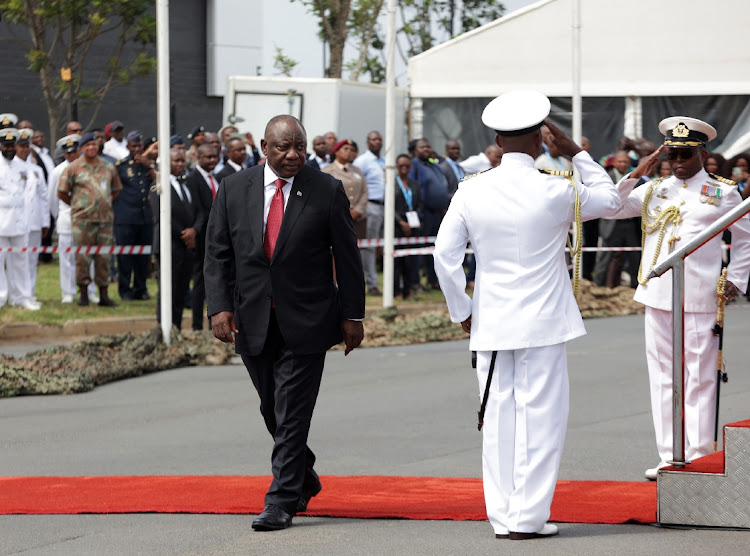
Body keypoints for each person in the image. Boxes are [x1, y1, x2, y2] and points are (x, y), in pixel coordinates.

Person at [433, 90, 621, 540]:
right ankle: (528, 518)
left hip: (492, 322)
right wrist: (576, 154)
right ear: (542, 137)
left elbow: (445, 255)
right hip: (543, 321)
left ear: (496, 139)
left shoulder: (471, 190)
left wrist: (463, 309)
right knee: (541, 417)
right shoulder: (557, 188)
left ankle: (501, 516)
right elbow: (611, 201)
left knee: (497, 417)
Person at [204, 115, 365, 531]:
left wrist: (352, 315)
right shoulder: (234, 189)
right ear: (264, 147)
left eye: (299, 147)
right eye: (283, 147)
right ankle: (305, 478)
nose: (293, 155)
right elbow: (218, 253)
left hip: (309, 318)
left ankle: (280, 500)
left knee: (292, 410)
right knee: (271, 408)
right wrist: (219, 307)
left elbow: (347, 257)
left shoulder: (326, 189)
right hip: (252, 317)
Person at [609, 117, 750, 480]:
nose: (679, 162)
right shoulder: (655, 188)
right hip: (658, 295)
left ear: (702, 152)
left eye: (686, 154)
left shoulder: (722, 191)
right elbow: (613, 206)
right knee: (662, 376)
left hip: (701, 295)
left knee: (700, 376)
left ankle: (701, 455)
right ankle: (671, 455)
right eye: (673, 154)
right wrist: (640, 169)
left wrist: (735, 276)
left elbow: (744, 236)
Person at [58, 132, 122, 307]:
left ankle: (103, 295)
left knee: (104, 259)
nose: (91, 148)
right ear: (81, 149)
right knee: (82, 258)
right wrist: (78, 205)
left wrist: (103, 203)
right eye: (87, 145)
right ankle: (84, 294)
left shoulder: (108, 167)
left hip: (104, 221)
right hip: (82, 222)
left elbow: (116, 190)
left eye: (93, 144)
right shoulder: (74, 167)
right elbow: (62, 192)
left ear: (98, 146)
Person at [150, 148, 202, 330]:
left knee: (181, 292)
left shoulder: (187, 184)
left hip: (187, 247)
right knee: (167, 291)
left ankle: (177, 329)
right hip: (169, 245)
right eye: (176, 161)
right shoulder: (158, 185)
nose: (180, 164)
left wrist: (194, 231)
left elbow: (198, 210)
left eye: (182, 161)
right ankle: (164, 329)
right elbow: (161, 216)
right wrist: (183, 234)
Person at [48, 134, 98, 304]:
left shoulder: (87, 168)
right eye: (67, 153)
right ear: (63, 153)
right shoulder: (57, 171)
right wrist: (60, 215)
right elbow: (53, 199)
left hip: (86, 220)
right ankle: (68, 293)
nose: (71, 155)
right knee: (67, 259)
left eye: (73, 151)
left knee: (87, 258)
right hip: (66, 219)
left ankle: (90, 291)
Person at [114, 131, 156, 301]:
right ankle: (125, 290)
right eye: (134, 146)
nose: (137, 149)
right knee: (125, 256)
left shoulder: (148, 166)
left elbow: (156, 183)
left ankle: (141, 288)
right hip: (125, 218)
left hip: (145, 217)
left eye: (139, 146)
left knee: (143, 257)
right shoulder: (121, 166)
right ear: (128, 147)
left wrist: (148, 167)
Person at [0, 128, 39, 311]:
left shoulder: (22, 167)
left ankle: (22, 297)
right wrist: (10, 199)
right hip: (1, 221)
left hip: (19, 221)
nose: (9, 149)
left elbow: (27, 194)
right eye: (5, 145)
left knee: (21, 260)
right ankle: (1, 297)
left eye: (11, 145)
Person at [409, 137, 451, 290]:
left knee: (435, 249)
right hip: (423, 213)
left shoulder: (435, 166)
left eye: (428, 146)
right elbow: (413, 189)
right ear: (415, 150)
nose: (426, 149)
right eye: (422, 147)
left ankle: (434, 280)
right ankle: (415, 282)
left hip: (437, 213)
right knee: (419, 249)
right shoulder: (414, 165)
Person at [186, 143, 220, 330]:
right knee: (199, 282)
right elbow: (198, 210)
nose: (212, 160)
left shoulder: (214, 179)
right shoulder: (193, 179)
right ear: (198, 157)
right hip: (201, 239)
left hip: (215, 238)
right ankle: (197, 325)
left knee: (212, 283)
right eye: (208, 157)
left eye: (215, 156)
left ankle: (210, 323)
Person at [14, 128, 49, 303]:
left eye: (27, 145)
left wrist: (45, 222)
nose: (25, 149)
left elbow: (43, 198)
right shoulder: (9, 167)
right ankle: (16, 295)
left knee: (32, 260)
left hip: (35, 222)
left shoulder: (37, 170)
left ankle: (30, 294)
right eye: (21, 146)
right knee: (17, 261)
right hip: (16, 222)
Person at [354, 131, 386, 296]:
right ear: (367, 142)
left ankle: (377, 280)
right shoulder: (363, 161)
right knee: (369, 247)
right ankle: (371, 284)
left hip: (386, 207)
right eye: (373, 139)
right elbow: (358, 186)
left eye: (379, 139)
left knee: (380, 246)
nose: (377, 142)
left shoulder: (384, 160)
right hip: (371, 206)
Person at [322, 139, 368, 240]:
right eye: (345, 149)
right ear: (336, 151)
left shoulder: (357, 170)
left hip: (357, 218)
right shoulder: (327, 170)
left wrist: (357, 210)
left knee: (357, 251)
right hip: (337, 217)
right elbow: (324, 194)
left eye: (351, 149)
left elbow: (364, 192)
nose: (349, 152)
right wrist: (342, 211)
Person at [394, 154, 423, 299]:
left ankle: (407, 290)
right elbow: (390, 206)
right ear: (396, 167)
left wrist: (411, 224)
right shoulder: (392, 184)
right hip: (397, 227)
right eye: (401, 166)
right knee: (397, 261)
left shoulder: (415, 184)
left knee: (409, 261)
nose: (404, 168)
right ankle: (396, 291)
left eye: (407, 166)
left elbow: (419, 205)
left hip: (413, 226)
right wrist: (401, 222)